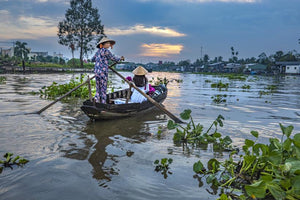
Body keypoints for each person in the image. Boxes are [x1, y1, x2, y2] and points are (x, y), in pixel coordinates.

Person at [92, 37, 124, 103]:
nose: (109, 44)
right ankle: (103, 102)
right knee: (103, 88)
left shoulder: (98, 52)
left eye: (109, 43)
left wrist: (100, 60)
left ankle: (96, 99)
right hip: (103, 72)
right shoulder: (106, 51)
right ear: (103, 44)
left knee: (98, 89)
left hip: (96, 72)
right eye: (108, 43)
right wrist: (120, 58)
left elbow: (92, 59)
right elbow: (113, 58)